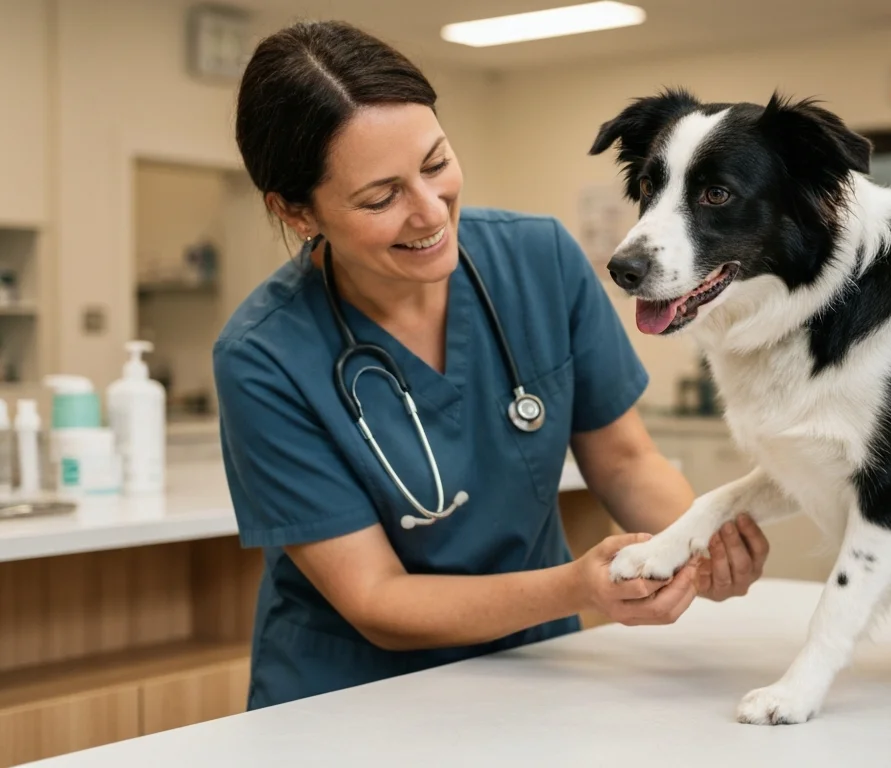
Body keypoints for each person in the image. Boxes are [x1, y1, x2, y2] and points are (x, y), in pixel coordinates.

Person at [214, 20, 770, 710]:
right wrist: (577, 585)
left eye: (435, 162)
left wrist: (698, 545)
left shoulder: (539, 260)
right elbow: (375, 598)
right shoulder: (264, 357)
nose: (428, 212)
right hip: (349, 703)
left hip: (539, 671)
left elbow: (625, 462)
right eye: (381, 197)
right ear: (296, 212)